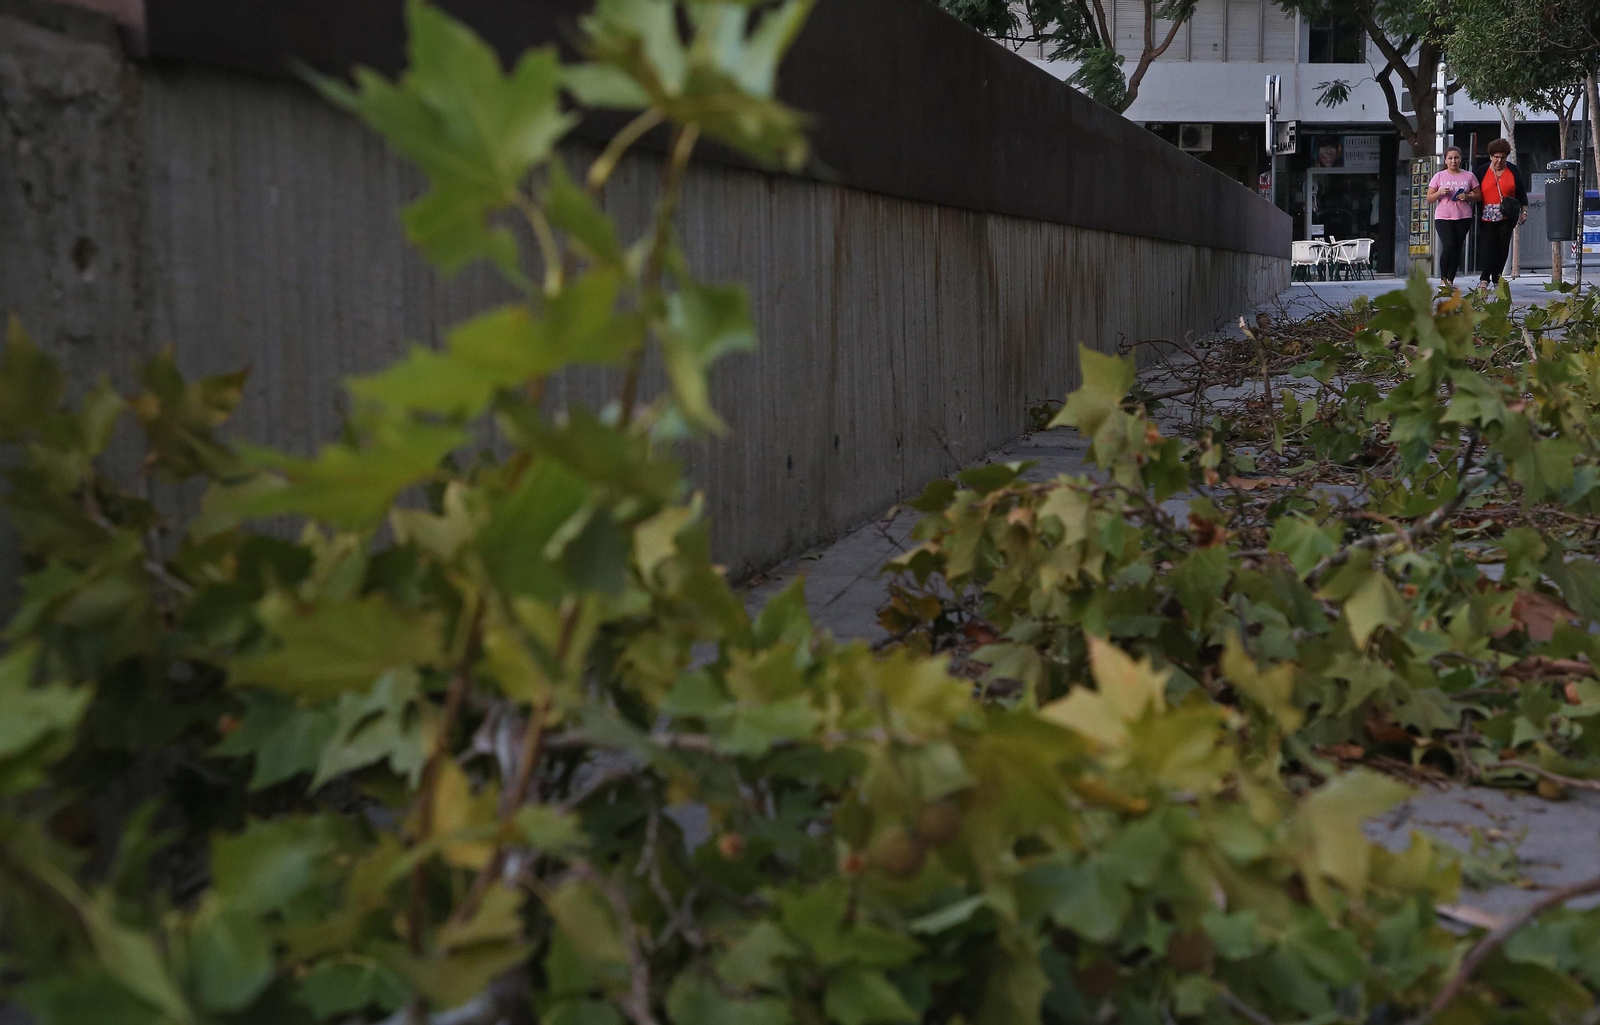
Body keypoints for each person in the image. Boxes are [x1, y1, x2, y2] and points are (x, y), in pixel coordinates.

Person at [1470, 138, 1528, 290]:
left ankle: (1497, 277)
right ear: (1490, 156)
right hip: (1486, 216)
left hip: (1507, 216)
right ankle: (1484, 278)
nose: (1499, 160)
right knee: (1488, 247)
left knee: (1502, 248)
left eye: (1502, 157)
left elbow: (1521, 192)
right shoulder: (1481, 171)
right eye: (1496, 157)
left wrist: (1524, 211)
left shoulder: (1513, 170)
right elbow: (1472, 189)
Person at [1426, 146, 1477, 287]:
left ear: (1460, 159)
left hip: (1463, 217)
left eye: (1456, 157)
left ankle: (1450, 280)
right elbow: (1429, 198)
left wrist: (1466, 196)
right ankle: (1443, 279)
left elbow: (1478, 195)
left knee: (1457, 248)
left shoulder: (1469, 176)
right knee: (1448, 245)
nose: (1453, 161)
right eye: (1450, 158)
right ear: (1445, 160)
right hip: (1443, 217)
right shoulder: (1439, 176)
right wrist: (1439, 193)